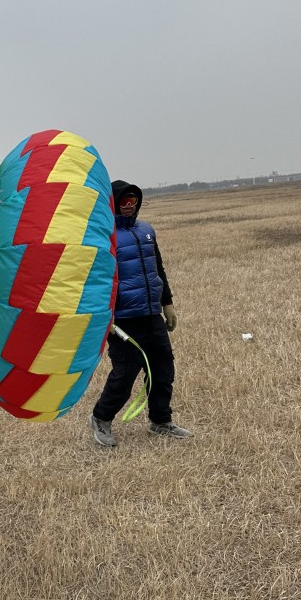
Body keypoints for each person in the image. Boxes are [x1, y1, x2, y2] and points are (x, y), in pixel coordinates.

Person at [90, 180, 193, 447]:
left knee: (163, 369)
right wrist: (106, 316)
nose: (128, 206)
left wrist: (167, 303)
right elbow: (97, 279)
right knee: (125, 374)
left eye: (133, 202)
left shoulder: (146, 231)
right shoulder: (103, 236)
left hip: (151, 314)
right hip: (123, 320)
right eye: (123, 202)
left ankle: (161, 421)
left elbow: (158, 269)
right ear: (112, 204)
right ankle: (101, 417)